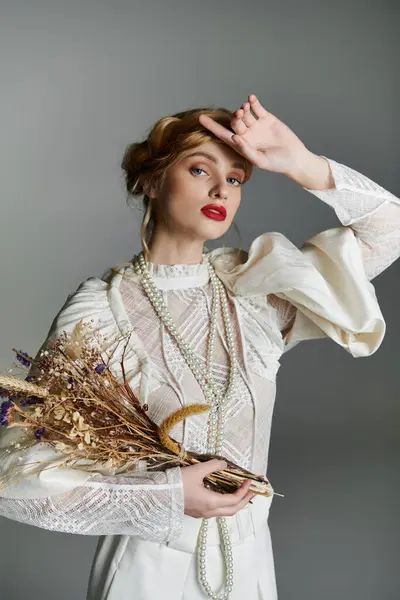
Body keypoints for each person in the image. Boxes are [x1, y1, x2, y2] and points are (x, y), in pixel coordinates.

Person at [1, 94, 399, 600]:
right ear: (152, 180)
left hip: (252, 564)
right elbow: (18, 480)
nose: (221, 189)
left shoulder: (255, 288)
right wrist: (165, 496)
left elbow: (389, 229)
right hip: (149, 571)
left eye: (235, 178)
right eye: (199, 169)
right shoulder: (100, 311)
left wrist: (301, 164)